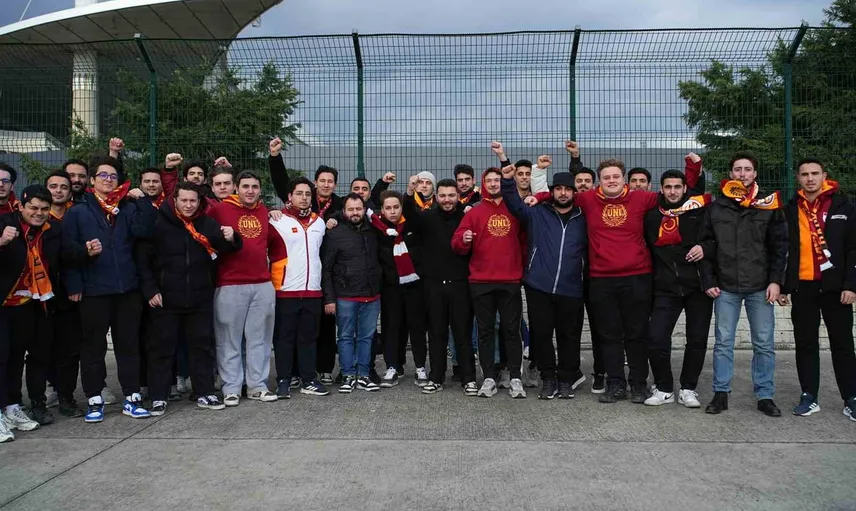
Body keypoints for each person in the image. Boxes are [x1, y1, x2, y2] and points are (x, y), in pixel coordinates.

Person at [533, 151, 701, 404]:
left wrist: (693, 169)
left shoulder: (642, 198)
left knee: (637, 334)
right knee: (609, 335)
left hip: (638, 277)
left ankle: (638, 384)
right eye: (606, 177)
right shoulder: (587, 199)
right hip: (601, 279)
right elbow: (557, 196)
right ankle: (615, 384)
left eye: (616, 176)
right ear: (599, 181)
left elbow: (679, 197)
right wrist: (536, 196)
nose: (611, 180)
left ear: (624, 179)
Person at [61, 156, 156, 422]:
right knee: (93, 347)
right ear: (92, 180)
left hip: (127, 290)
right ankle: (94, 399)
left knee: (129, 345)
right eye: (103, 175)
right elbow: (66, 252)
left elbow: (145, 230)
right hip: (94, 291)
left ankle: (132, 396)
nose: (108, 180)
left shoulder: (128, 208)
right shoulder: (78, 212)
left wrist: (143, 201)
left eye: (113, 176)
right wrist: (81, 263)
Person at [137, 182, 240, 415]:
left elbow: (228, 247)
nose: (189, 205)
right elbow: (143, 261)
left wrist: (232, 237)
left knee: (201, 348)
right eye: (184, 200)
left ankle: (204, 392)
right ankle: (158, 396)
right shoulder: (158, 223)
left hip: (199, 298)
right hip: (165, 299)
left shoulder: (206, 223)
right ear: (175, 200)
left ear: (199, 201)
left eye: (193, 200)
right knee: (161, 349)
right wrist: (150, 290)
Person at [699, 151, 787, 417]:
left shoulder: (769, 205)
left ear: (755, 174)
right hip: (726, 287)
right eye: (738, 169)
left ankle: (765, 395)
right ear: (730, 174)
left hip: (760, 287)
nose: (742, 174)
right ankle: (721, 393)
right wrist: (709, 280)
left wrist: (776, 282)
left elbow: (779, 247)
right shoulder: (716, 207)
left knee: (764, 343)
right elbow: (705, 246)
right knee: (723, 343)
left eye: (747, 169)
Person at [779, 158, 856, 421]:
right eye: (804, 174)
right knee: (805, 344)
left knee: (843, 345)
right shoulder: (790, 208)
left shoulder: (844, 206)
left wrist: (851, 285)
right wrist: (784, 286)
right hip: (803, 288)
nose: (810, 179)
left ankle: (851, 397)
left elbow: (853, 248)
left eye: (815, 173)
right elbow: (784, 249)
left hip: (836, 289)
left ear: (824, 175)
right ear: (798, 178)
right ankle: (809, 396)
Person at [501, 168, 587, 400]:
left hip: (572, 287)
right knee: (541, 334)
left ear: (574, 192)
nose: (563, 193)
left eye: (567, 189)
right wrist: (507, 180)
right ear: (552, 192)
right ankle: (548, 378)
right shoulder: (537, 213)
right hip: (539, 286)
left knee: (569, 336)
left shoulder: (583, 217)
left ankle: (566, 380)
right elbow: (514, 204)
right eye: (558, 189)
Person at [208, 171, 286, 406]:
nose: (250, 191)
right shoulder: (219, 210)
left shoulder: (263, 211)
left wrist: (275, 281)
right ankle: (231, 387)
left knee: (260, 340)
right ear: (236, 188)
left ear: (260, 190)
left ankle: (257, 386)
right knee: (228, 340)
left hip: (262, 285)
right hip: (230, 284)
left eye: (254, 187)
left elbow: (276, 245)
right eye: (245, 186)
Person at [642, 156, 714, 408]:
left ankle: (688, 388)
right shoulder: (652, 216)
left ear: (685, 189)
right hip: (665, 289)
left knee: (697, 340)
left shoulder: (698, 210)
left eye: (677, 187)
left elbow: (716, 238)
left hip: (697, 287)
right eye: (668, 187)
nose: (672, 192)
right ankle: (664, 388)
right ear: (661, 189)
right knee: (656, 338)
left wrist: (705, 248)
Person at [269, 138, 342, 384]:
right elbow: (282, 183)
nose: (326, 184)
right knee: (288, 334)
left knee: (319, 331)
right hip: (290, 282)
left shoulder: (332, 209)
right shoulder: (284, 214)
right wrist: (275, 157)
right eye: (322, 181)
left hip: (320, 280)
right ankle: (289, 375)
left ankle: (318, 372)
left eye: (330, 181)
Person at [0, 185, 69, 439]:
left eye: (44, 209)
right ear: (21, 206)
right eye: (33, 208)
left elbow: (65, 257)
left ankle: (12, 407)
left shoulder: (51, 230)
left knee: (16, 358)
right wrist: (1, 242)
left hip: (30, 304)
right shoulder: (5, 224)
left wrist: (86, 251)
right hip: (3, 304)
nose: (39, 213)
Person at [452, 167, 526, 398]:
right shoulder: (474, 212)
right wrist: (464, 240)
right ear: (483, 184)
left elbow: (526, 240)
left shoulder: (515, 209)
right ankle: (489, 377)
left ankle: (515, 376)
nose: (494, 184)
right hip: (481, 281)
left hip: (510, 280)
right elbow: (457, 242)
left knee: (511, 330)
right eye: (489, 181)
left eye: (497, 180)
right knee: (484, 331)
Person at [404, 178, 478, 395]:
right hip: (433, 285)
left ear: (458, 196)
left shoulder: (467, 216)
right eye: (443, 196)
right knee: (436, 333)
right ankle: (436, 377)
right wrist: (409, 193)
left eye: (451, 195)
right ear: (436, 197)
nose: (447, 200)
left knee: (463, 333)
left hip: (461, 284)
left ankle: (468, 378)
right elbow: (409, 218)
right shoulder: (427, 217)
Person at [269, 177, 330, 398]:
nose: (304, 198)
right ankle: (284, 380)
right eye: (299, 193)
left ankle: (308, 379)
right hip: (285, 291)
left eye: (307, 194)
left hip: (313, 291)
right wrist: (269, 213)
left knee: (309, 339)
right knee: (284, 339)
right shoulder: (276, 220)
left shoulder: (319, 222)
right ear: (289, 196)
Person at [322, 194, 382, 393]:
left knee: (367, 337)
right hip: (345, 295)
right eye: (351, 209)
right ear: (344, 211)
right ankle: (347, 374)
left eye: (358, 209)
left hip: (371, 295)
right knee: (345, 337)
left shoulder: (374, 230)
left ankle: (363, 374)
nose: (355, 213)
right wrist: (329, 298)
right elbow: (327, 269)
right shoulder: (334, 234)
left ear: (364, 210)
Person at [371, 189, 430, 390]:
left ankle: (420, 367)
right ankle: (393, 367)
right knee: (391, 328)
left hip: (415, 287)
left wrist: (410, 193)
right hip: (391, 289)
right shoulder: (377, 230)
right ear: (382, 210)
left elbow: (416, 212)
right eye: (388, 208)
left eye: (396, 207)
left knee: (417, 327)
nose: (392, 211)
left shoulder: (412, 225)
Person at [41, 171, 85, 418]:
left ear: (70, 192)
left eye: (63, 187)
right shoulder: (36, 218)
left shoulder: (76, 216)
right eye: (53, 186)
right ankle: (41, 397)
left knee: (70, 350)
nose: (58, 191)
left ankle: (66, 397)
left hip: (69, 295)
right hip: (39, 296)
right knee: (41, 349)